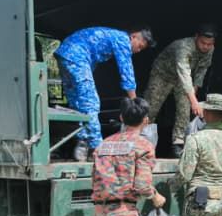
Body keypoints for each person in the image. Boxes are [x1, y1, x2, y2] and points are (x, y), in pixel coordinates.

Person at [54, 25, 155, 160]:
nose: (137, 50)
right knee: (91, 103)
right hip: (76, 56)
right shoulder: (122, 39)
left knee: (77, 103)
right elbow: (126, 71)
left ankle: (82, 143)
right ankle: (97, 149)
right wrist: (135, 101)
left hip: (65, 55)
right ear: (134, 36)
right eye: (139, 46)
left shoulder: (111, 36)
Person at [144, 24, 217, 157]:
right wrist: (194, 101)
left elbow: (201, 70)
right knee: (150, 108)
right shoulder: (184, 47)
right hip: (163, 75)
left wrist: (194, 92)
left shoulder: (210, 49)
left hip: (184, 79)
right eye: (203, 43)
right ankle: (141, 140)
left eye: (209, 44)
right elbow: (183, 72)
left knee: (184, 108)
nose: (205, 47)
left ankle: (178, 143)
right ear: (196, 37)